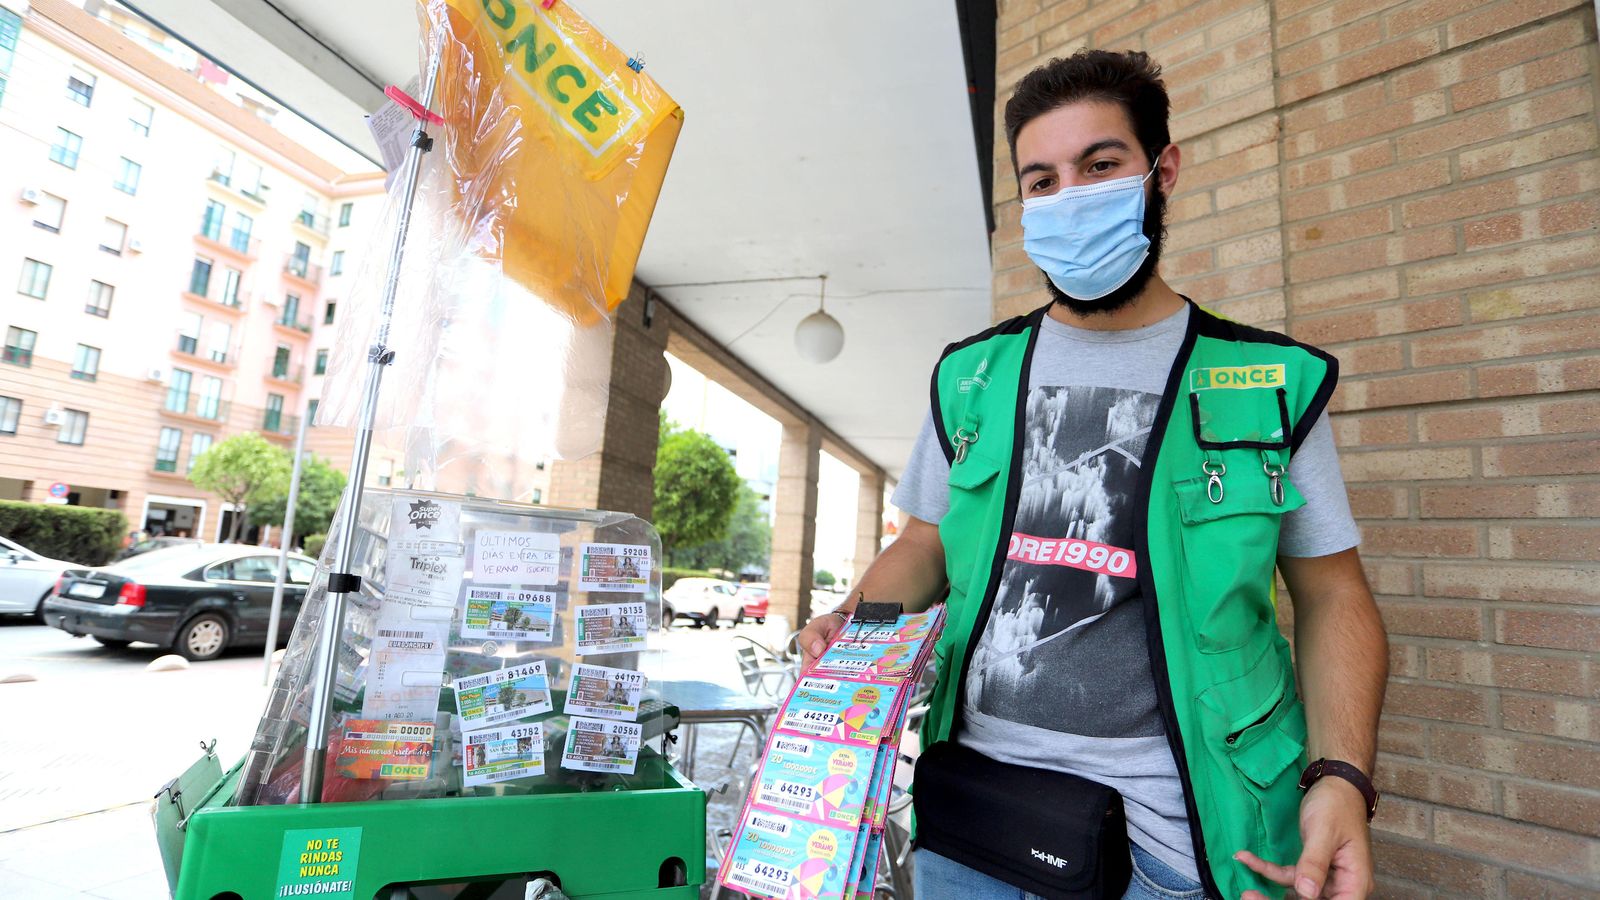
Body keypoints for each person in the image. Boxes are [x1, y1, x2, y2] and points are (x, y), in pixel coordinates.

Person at [797, 50, 1387, 900]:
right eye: (1041, 180)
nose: (1068, 197)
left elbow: (1335, 597)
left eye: (1099, 165)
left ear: (1162, 171)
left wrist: (1342, 778)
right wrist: (855, 622)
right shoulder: (971, 375)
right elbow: (925, 544)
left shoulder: (1267, 383)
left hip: (1182, 838)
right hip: (973, 821)